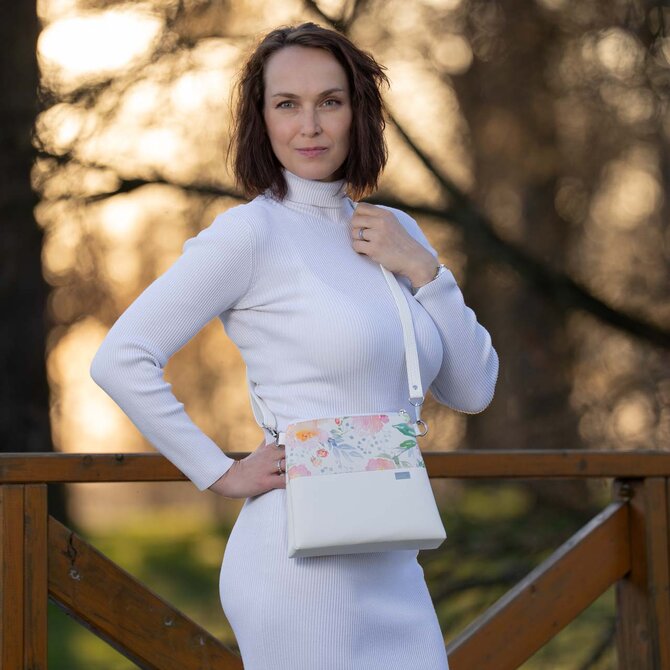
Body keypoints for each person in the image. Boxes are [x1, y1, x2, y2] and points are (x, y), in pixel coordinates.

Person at [90, 21, 498, 670]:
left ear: (358, 112)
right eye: (287, 104)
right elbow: (121, 357)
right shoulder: (250, 235)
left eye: (330, 102)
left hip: (393, 551)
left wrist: (426, 271)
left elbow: (472, 390)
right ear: (262, 119)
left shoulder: (394, 232)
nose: (310, 126)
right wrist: (219, 471)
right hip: (296, 562)